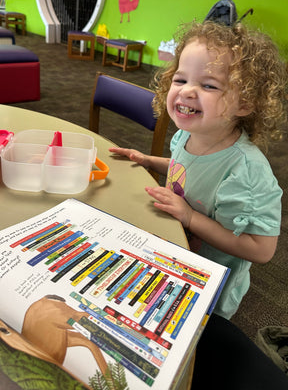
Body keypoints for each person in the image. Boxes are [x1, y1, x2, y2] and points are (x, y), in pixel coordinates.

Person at [109, 20, 287, 319]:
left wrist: (190, 217)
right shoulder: (190, 135)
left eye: (208, 85)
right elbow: (186, 169)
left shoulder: (247, 172)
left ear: (244, 103)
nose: (187, 91)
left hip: (209, 283)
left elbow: (262, 249)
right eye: (180, 80)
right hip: (176, 252)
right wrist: (149, 161)